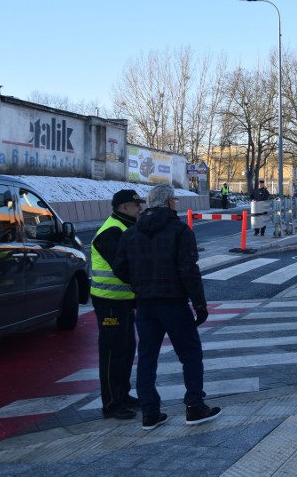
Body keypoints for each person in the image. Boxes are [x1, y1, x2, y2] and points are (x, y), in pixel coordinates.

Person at [113, 184, 221, 431]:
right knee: (190, 354)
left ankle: (150, 412)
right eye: (175, 200)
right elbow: (188, 270)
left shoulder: (131, 232)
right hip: (173, 302)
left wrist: (139, 283)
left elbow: (120, 267)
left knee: (147, 358)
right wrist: (199, 303)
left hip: (144, 304)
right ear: (170, 203)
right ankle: (194, 406)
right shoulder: (179, 230)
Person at [90, 189, 145, 420]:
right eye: (136, 206)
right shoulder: (112, 231)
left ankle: (123, 394)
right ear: (124, 208)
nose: (140, 209)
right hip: (109, 302)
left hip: (122, 301)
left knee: (126, 348)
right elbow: (123, 269)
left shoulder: (125, 227)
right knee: (113, 351)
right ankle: (112, 403)